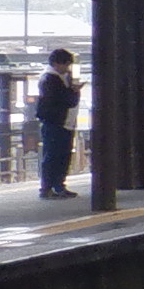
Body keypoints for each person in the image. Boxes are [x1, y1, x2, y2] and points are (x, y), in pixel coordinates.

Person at [33, 49, 82, 198]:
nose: (67, 68)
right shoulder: (50, 79)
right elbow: (67, 100)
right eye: (65, 64)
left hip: (63, 122)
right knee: (54, 156)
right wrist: (74, 91)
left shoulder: (60, 77)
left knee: (62, 155)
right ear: (56, 63)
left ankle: (58, 185)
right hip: (56, 123)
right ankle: (48, 188)